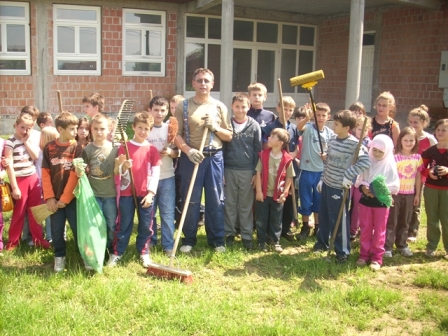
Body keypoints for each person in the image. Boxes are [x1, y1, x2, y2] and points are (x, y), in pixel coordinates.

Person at [174, 68, 232, 253]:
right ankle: (188, 239)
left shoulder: (219, 107)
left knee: (215, 200)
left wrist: (214, 127)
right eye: (199, 80)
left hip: (214, 157)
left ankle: (216, 240)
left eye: (207, 81)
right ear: (193, 83)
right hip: (191, 158)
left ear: (212, 84)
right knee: (191, 199)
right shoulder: (183, 106)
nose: (203, 84)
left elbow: (229, 135)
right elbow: (176, 134)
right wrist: (187, 150)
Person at [313, 110, 370, 263]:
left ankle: (342, 251)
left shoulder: (354, 144)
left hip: (339, 187)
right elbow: (329, 161)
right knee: (324, 216)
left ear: (346, 128)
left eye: (337, 124)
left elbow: (365, 161)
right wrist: (322, 179)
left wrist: (348, 175)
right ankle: (322, 243)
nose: (333, 126)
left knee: (338, 219)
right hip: (327, 183)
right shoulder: (332, 139)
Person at [108, 112, 161, 268]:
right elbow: (119, 170)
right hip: (127, 192)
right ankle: (118, 252)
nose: (142, 131)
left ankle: (144, 251)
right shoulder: (124, 147)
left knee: (146, 224)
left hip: (145, 193)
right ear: (133, 127)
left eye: (146, 129)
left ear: (150, 130)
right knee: (124, 224)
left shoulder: (152, 149)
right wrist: (124, 167)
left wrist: (151, 193)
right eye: (140, 128)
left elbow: (156, 172)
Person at [42, 112, 83, 271]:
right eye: (72, 129)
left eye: (76, 128)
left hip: (72, 199)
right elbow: (45, 173)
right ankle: (59, 256)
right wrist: (50, 197)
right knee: (57, 231)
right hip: (54, 201)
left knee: (78, 229)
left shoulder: (77, 148)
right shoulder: (50, 147)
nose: (75, 132)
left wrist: (65, 198)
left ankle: (84, 255)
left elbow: (75, 175)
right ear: (60, 129)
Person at [4, 114, 50, 250]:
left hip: (33, 177)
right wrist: (14, 187)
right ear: (15, 125)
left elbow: (35, 157)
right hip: (19, 180)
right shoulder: (10, 142)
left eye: (28, 128)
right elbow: (9, 165)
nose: (24, 130)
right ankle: (13, 242)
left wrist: (25, 141)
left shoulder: (28, 140)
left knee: (35, 211)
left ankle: (38, 239)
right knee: (19, 212)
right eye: (22, 127)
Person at [355, 135, 400, 271]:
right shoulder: (367, 161)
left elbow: (394, 186)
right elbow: (359, 179)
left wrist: (378, 191)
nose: (377, 154)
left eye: (381, 151)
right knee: (365, 228)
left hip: (381, 203)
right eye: (375, 150)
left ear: (387, 152)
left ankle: (376, 257)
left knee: (379, 230)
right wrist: (364, 187)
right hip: (366, 201)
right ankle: (364, 254)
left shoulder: (390, 165)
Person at [224, 92, 262, 250]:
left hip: (247, 170)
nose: (240, 110)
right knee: (230, 203)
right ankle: (229, 233)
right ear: (232, 107)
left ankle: (246, 235)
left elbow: (258, 150)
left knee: (246, 204)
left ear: (249, 107)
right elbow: (222, 148)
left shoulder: (254, 126)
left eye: (243, 107)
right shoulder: (226, 125)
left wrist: (255, 172)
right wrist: (222, 172)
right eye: (237, 106)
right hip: (229, 169)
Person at [262, 96, 299, 241]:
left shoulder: (294, 128)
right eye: (285, 108)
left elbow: (296, 147)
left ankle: (286, 228)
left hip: (288, 168)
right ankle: (269, 230)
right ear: (278, 108)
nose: (288, 112)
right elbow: (265, 145)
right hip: (273, 168)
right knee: (272, 199)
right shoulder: (270, 127)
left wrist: (293, 154)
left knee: (288, 197)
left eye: (291, 109)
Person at [81, 114, 119, 256]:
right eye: (96, 129)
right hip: (94, 195)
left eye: (102, 129)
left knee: (111, 224)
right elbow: (84, 172)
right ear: (91, 129)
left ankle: (109, 248)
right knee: (95, 224)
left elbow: (119, 170)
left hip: (110, 194)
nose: (99, 132)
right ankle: (97, 249)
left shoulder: (114, 148)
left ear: (109, 129)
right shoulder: (87, 150)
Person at [296, 103, 334, 239]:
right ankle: (305, 225)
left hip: (321, 172)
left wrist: (327, 156)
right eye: (318, 115)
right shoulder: (309, 129)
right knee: (305, 200)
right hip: (306, 170)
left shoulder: (330, 134)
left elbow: (333, 150)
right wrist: (307, 117)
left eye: (323, 115)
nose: (320, 118)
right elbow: (299, 127)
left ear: (328, 117)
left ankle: (318, 226)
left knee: (318, 200)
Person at [147, 96, 179, 256]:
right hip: (148, 178)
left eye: (162, 110)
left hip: (167, 177)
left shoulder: (169, 129)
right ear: (149, 111)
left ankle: (168, 244)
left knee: (167, 213)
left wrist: (170, 152)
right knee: (150, 212)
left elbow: (177, 152)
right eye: (156, 110)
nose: (159, 113)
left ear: (167, 112)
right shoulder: (145, 129)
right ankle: (151, 241)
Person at [384, 127, 423, 258]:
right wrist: (390, 193)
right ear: (400, 141)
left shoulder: (417, 158)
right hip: (396, 194)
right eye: (405, 140)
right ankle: (387, 247)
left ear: (415, 142)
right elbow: (389, 176)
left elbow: (418, 176)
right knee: (392, 221)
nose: (408, 143)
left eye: (411, 140)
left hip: (409, 194)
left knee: (405, 220)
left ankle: (402, 244)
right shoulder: (394, 158)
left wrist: (417, 194)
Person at [255, 128, 294, 252]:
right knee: (262, 219)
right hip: (264, 194)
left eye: (272, 137)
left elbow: (289, 177)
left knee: (276, 220)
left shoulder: (287, 159)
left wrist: (285, 192)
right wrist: (259, 191)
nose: (269, 138)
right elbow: (258, 173)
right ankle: (261, 241)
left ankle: (274, 241)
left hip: (278, 195)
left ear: (280, 142)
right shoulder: (263, 155)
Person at [407, 105, 437, 242]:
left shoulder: (429, 139)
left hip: (421, 176)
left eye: (416, 123)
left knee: (416, 203)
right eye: (411, 122)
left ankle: (413, 231)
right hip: (405, 176)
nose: (413, 125)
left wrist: (431, 169)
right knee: (405, 203)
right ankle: (402, 228)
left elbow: (436, 155)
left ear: (424, 123)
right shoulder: (407, 135)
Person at [421, 119, 448, 259]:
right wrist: (429, 173)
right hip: (431, 188)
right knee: (432, 218)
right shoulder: (429, 151)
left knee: (446, 218)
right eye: (438, 130)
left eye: (444, 130)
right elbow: (421, 168)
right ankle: (431, 246)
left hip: (446, 190)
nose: (440, 132)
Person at [350, 116, 372, 240]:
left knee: (358, 205)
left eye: (364, 130)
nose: (362, 132)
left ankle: (354, 229)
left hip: (361, 178)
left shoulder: (370, 144)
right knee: (348, 202)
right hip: (350, 177)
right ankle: (346, 227)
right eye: (359, 129)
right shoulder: (351, 141)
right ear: (354, 129)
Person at [38, 126, 60, 243]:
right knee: (50, 211)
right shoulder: (44, 154)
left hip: (51, 185)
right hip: (47, 186)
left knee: (56, 211)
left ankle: (56, 235)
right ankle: (50, 236)